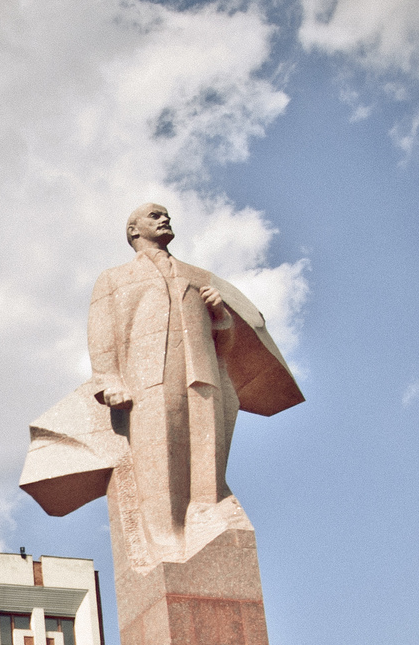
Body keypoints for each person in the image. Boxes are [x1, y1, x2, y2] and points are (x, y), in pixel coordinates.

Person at [19, 202, 302, 569]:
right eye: (155, 215)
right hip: (148, 381)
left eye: (166, 214)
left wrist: (220, 316)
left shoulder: (198, 275)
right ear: (133, 231)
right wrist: (109, 380)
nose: (165, 219)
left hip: (202, 375)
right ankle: (164, 539)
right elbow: (101, 334)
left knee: (208, 459)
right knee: (157, 462)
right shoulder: (114, 278)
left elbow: (224, 345)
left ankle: (206, 515)